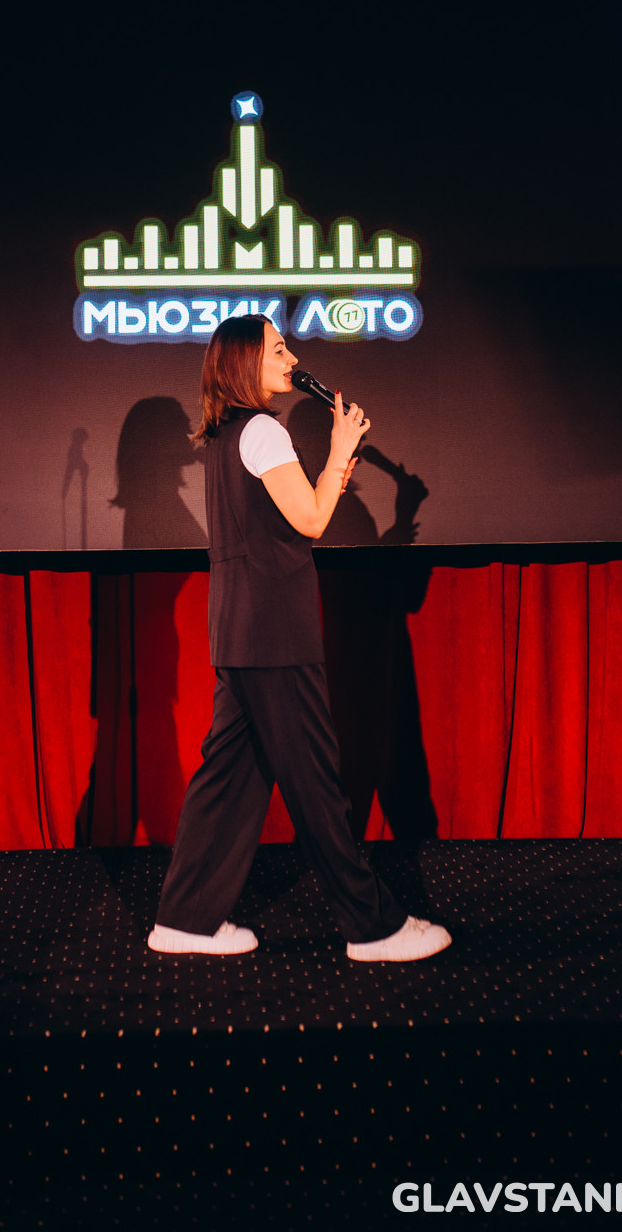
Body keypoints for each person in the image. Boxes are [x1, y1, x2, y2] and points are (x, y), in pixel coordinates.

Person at [148, 314, 451, 963]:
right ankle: (373, 928)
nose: (291, 359)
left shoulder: (227, 434)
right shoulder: (262, 430)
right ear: (244, 363)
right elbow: (311, 519)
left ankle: (184, 920)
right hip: (275, 634)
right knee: (315, 785)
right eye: (278, 349)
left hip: (240, 630)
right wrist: (340, 449)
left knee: (227, 779)